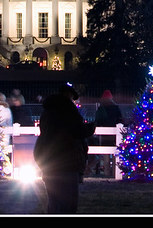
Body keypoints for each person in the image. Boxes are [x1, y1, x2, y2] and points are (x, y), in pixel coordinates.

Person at [33, 84, 95, 214]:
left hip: (49, 160)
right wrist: (91, 127)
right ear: (69, 96)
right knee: (69, 202)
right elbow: (77, 131)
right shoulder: (69, 111)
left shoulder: (47, 111)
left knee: (54, 200)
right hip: (67, 161)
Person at [87, 90, 123, 177]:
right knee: (115, 154)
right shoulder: (116, 109)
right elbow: (120, 120)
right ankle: (114, 172)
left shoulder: (101, 109)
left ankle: (107, 173)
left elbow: (97, 121)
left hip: (104, 136)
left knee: (106, 155)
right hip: (115, 135)